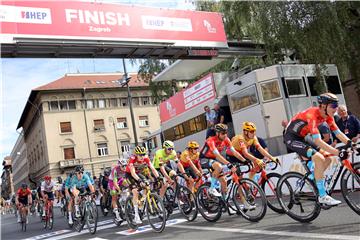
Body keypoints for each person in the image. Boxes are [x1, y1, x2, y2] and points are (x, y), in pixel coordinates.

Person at [284, 93, 352, 206]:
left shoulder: (328, 116)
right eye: (333, 106)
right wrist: (338, 152)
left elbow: (338, 133)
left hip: (304, 137)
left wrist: (351, 144)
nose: (336, 109)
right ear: (323, 106)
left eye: (337, 105)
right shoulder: (312, 114)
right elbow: (318, 141)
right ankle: (322, 196)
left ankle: (314, 179)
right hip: (291, 137)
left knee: (328, 159)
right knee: (319, 157)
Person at [200, 123, 247, 198]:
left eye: (226, 133)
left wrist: (244, 160)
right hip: (204, 159)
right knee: (219, 167)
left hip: (213, 160)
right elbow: (217, 155)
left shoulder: (226, 139)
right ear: (217, 133)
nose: (225, 135)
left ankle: (224, 204)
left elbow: (234, 152)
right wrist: (229, 164)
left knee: (224, 182)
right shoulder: (211, 140)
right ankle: (212, 188)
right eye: (223, 133)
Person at [125, 146, 160, 224]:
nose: (142, 156)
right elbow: (133, 173)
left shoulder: (146, 158)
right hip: (129, 175)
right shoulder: (132, 159)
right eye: (140, 155)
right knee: (135, 192)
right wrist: (139, 181)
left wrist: (158, 177)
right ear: (136, 155)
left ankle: (143, 201)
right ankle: (136, 215)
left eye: (143, 154)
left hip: (138, 173)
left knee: (147, 185)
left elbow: (152, 168)